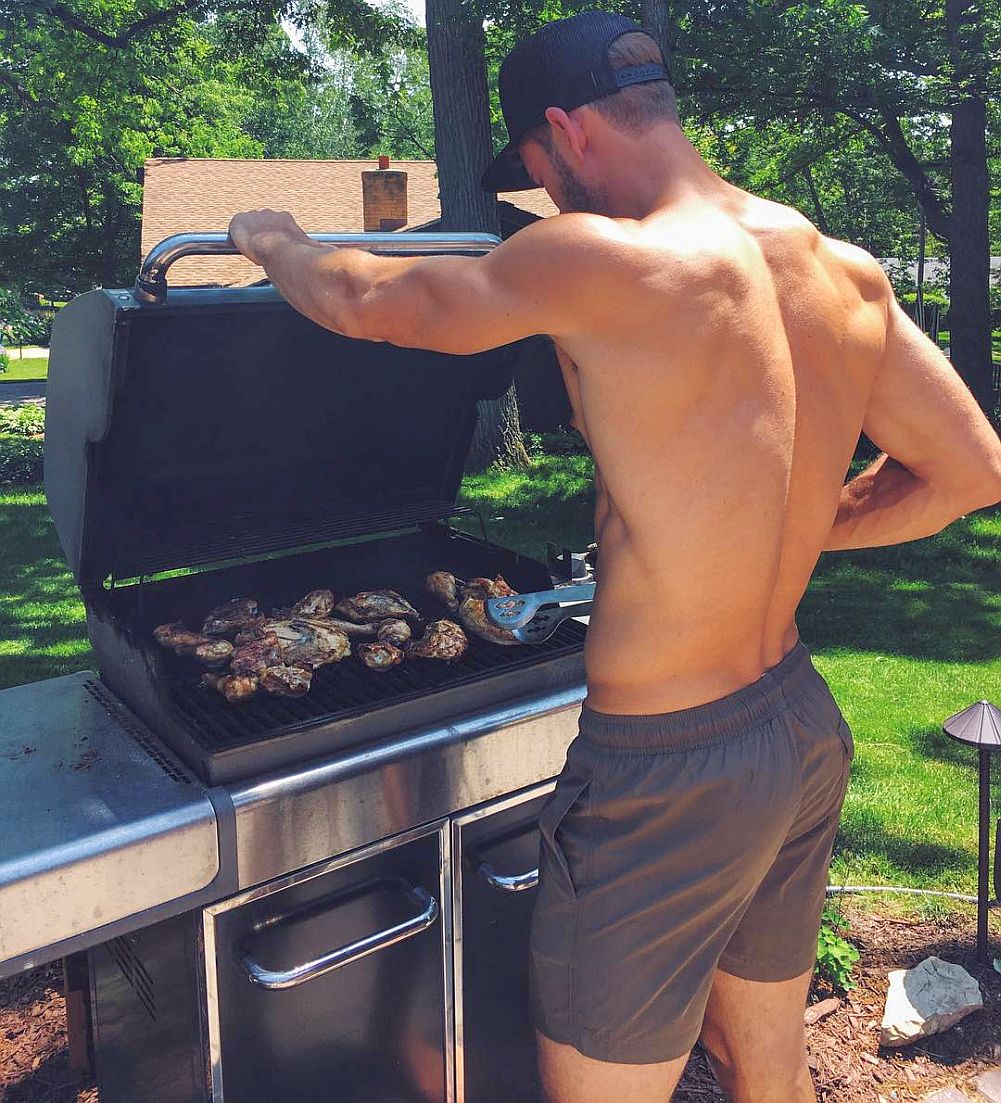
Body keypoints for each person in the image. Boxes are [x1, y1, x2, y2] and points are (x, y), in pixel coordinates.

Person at [229, 11, 1001, 1100]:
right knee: (765, 1069)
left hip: (663, 770)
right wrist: (791, 519)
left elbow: (369, 301)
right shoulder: (840, 268)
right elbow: (970, 473)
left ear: (563, 135)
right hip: (793, 724)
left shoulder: (602, 257)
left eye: (537, 173)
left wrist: (270, 241)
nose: (544, 196)